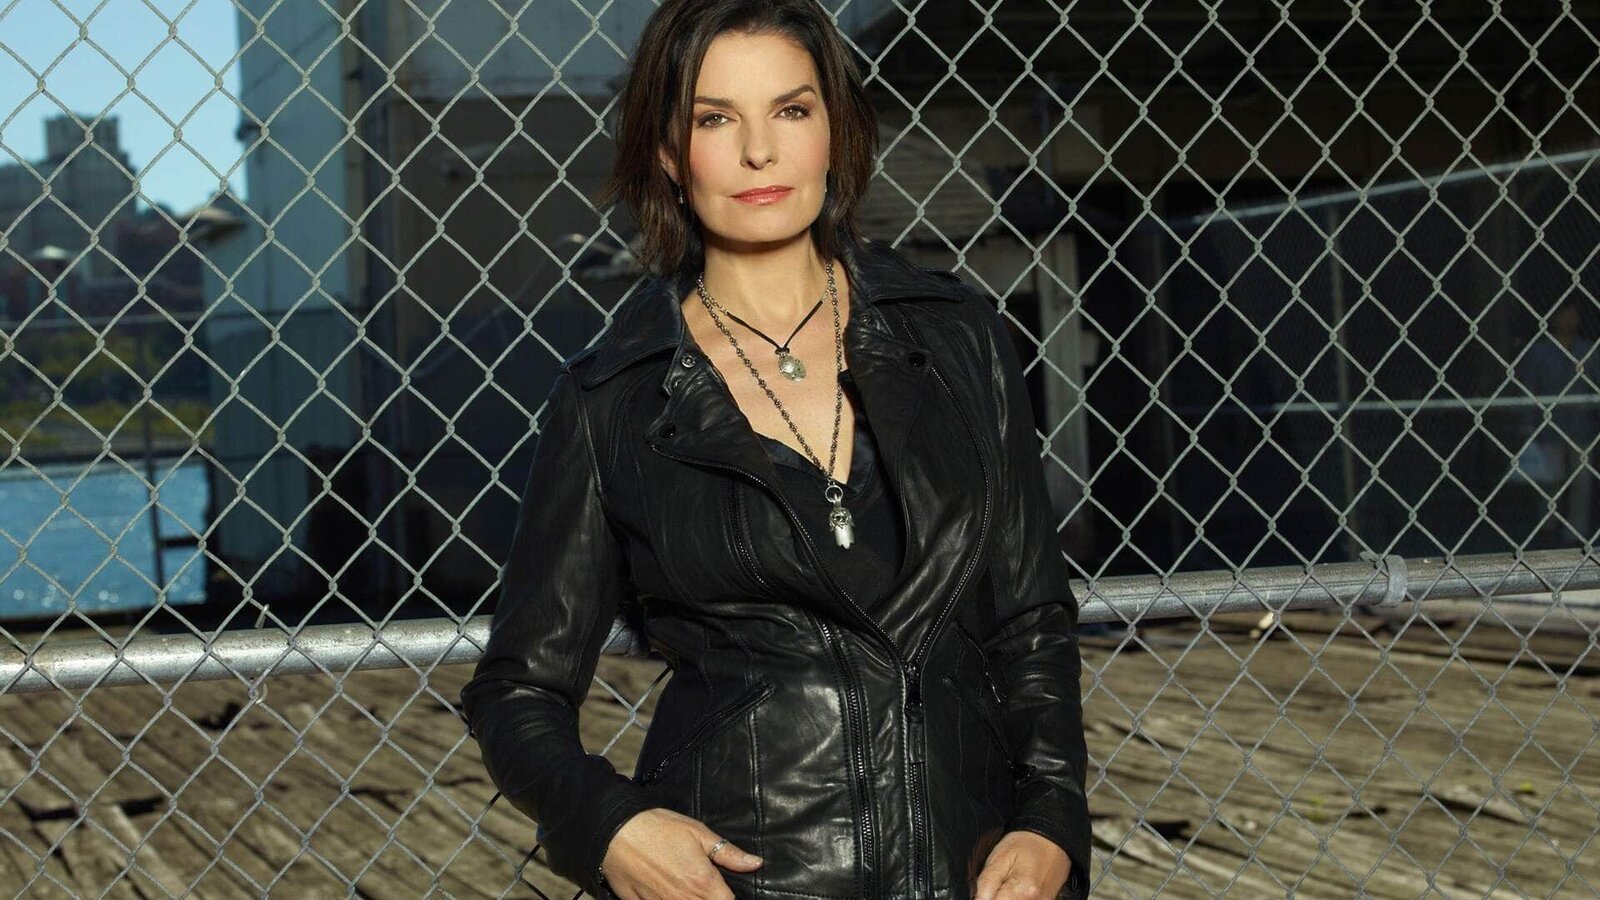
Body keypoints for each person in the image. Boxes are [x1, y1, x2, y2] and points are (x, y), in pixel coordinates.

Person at [459, 2, 1092, 897]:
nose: (760, 152)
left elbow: (1029, 619)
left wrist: (1052, 817)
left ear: (835, 130)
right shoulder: (612, 401)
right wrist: (608, 824)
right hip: (743, 876)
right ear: (669, 153)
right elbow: (517, 690)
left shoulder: (960, 338)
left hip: (968, 867)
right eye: (715, 119)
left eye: (791, 110)